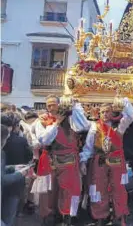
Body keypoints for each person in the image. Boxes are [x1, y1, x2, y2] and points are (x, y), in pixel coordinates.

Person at [33, 95, 91, 226]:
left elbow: (82, 126)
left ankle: (69, 216)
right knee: (50, 191)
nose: (51, 108)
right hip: (50, 161)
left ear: (60, 105)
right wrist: (56, 123)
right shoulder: (42, 121)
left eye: (53, 104)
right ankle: (50, 217)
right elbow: (44, 140)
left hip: (70, 160)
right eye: (48, 105)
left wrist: (75, 107)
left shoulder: (71, 119)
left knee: (71, 190)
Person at [80, 98, 133, 226]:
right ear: (99, 113)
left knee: (119, 189)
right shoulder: (94, 126)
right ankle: (100, 215)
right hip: (100, 162)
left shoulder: (119, 125)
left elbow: (131, 115)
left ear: (112, 113)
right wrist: (83, 162)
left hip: (116, 162)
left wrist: (123, 101)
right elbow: (88, 147)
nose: (105, 114)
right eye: (102, 112)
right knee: (98, 189)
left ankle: (120, 215)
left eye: (107, 112)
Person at [1, 124, 28, 226]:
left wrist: (13, 168)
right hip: (11, 188)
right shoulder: (1, 153)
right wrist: (20, 174)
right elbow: (2, 179)